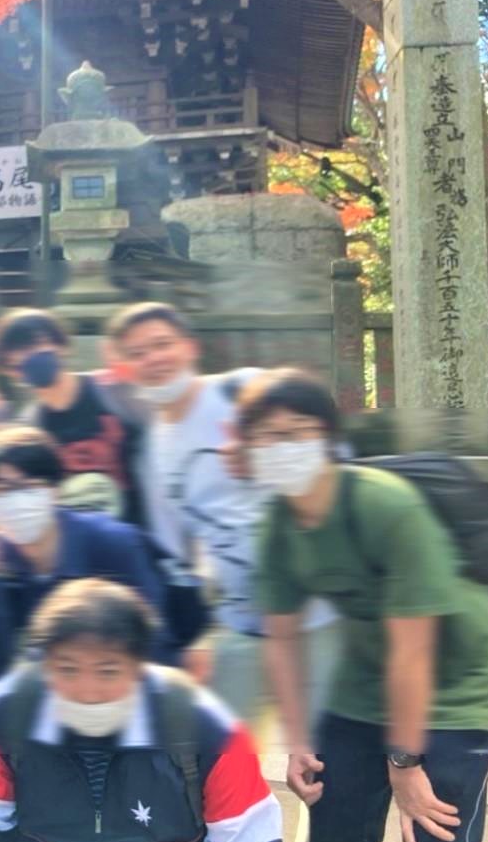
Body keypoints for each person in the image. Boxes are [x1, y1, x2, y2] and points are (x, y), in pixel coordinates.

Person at [241, 369, 488, 842]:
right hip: (364, 687)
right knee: (333, 823)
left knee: (432, 836)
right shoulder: (277, 522)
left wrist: (405, 765)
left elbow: (414, 652)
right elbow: (281, 638)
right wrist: (299, 739)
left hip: (460, 685)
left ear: (327, 436)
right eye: (266, 436)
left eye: (295, 432)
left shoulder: (385, 506)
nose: (281, 447)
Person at [0, 580, 286, 842]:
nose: (88, 692)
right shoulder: (1, 719)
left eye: (108, 671)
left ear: (139, 666)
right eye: (68, 669)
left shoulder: (208, 731)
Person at [107, 302, 341, 720]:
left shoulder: (245, 392)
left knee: (327, 739)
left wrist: (264, 459)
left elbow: (335, 456)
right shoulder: (150, 448)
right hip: (239, 619)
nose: (153, 359)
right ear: (124, 367)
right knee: (219, 744)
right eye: (137, 353)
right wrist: (195, 633)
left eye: (162, 344)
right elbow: (176, 555)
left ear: (190, 347)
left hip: (316, 609)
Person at [0, 426, 171, 676]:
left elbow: (155, 646)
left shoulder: (111, 543)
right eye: (1, 490)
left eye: (29, 486)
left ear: (55, 490)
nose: (17, 501)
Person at [0, 309, 147, 527]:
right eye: (18, 351)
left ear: (62, 346)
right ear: (12, 370)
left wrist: (139, 375)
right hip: (87, 539)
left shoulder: (113, 391)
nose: (30, 355)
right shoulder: (32, 428)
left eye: (37, 343)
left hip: (143, 531)